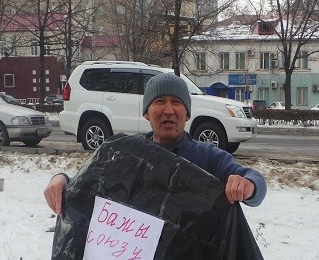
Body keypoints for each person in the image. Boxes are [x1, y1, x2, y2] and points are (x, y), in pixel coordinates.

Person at [44, 73, 267, 214]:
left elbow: (255, 182)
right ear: (146, 114)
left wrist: (248, 186)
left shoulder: (207, 157)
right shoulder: (127, 154)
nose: (168, 110)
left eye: (176, 102)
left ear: (187, 114)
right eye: (159, 102)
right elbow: (89, 185)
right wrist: (61, 180)